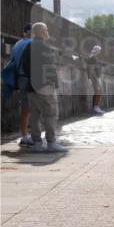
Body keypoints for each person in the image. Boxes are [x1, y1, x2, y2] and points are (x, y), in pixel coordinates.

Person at [20, 22, 68, 153]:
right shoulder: (46, 47)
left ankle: (37, 144)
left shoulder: (28, 46)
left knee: (35, 115)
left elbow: (24, 67)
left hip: (31, 86)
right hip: (45, 86)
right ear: (42, 32)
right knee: (50, 114)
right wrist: (54, 82)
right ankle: (51, 143)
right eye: (46, 30)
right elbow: (50, 67)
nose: (48, 33)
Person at [4, 24, 34, 147]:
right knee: (36, 108)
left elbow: (13, 61)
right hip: (32, 78)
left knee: (25, 108)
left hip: (21, 78)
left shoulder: (17, 44)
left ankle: (24, 135)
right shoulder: (33, 43)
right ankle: (32, 136)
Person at [85, 45, 104, 114]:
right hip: (94, 77)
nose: (100, 52)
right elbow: (91, 69)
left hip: (96, 77)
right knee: (98, 91)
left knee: (99, 91)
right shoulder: (92, 57)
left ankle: (96, 107)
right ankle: (95, 108)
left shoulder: (94, 57)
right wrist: (94, 78)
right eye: (99, 51)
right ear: (96, 50)